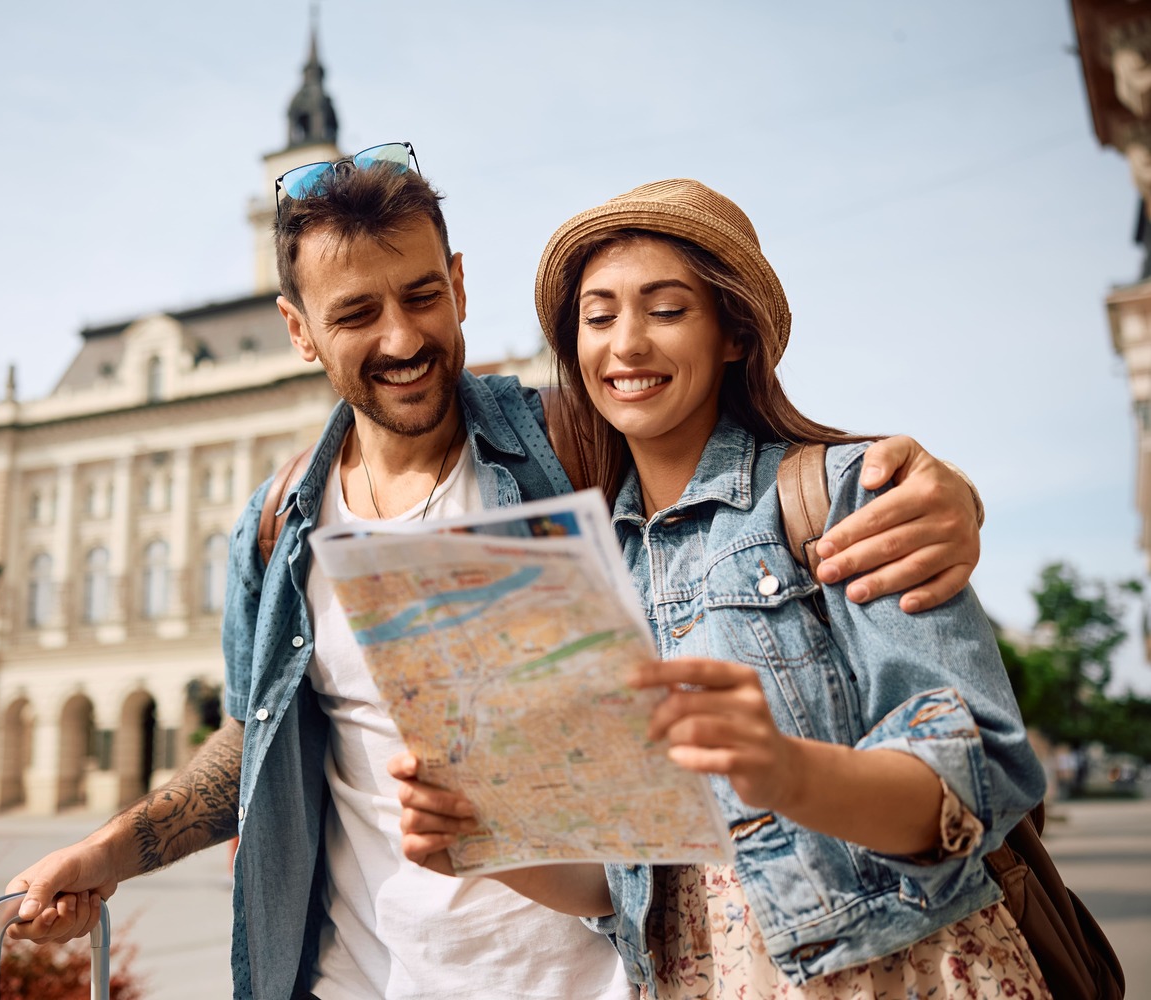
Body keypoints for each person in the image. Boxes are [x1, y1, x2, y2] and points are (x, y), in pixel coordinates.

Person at [4, 152, 987, 1000]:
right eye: (356, 313)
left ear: (461, 284)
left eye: (422, 295)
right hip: (361, 972)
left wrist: (945, 496)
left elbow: (739, 464)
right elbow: (256, 739)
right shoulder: (275, 525)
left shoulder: (573, 439)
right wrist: (111, 850)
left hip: (586, 972)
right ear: (299, 329)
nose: (401, 338)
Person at [393, 179, 1047, 998]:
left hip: (893, 971)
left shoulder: (847, 495)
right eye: (597, 318)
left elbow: (983, 780)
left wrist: (784, 771)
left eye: (666, 310)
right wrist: (488, 843)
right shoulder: (592, 574)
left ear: (734, 333)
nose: (624, 345)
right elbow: (625, 881)